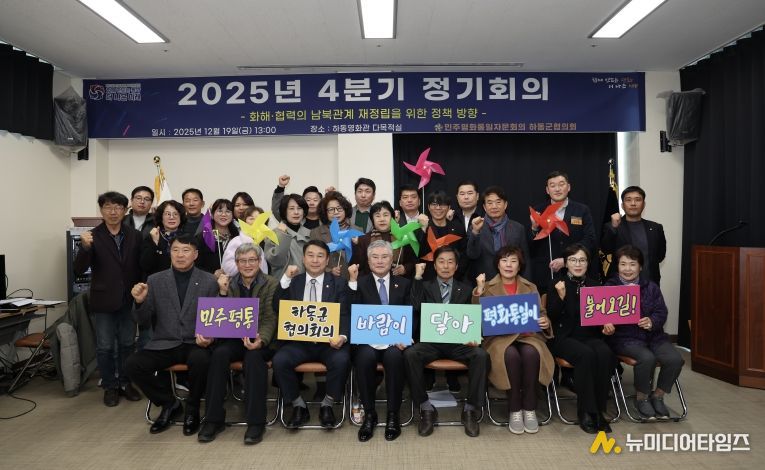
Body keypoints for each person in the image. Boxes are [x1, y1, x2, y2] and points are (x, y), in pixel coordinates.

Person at [126, 235, 219, 435]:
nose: (180, 255)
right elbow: (142, 320)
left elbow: (217, 318)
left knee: (202, 360)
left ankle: (192, 408)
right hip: (164, 342)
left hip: (195, 342)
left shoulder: (209, 281)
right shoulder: (155, 280)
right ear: (170, 253)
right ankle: (169, 404)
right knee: (133, 364)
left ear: (195, 254)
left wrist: (210, 337)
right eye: (175, 250)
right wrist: (140, 302)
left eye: (186, 250)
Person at [197, 243, 278, 444]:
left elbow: (271, 317)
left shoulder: (271, 283)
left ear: (259, 262)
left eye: (252, 260)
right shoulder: (228, 283)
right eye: (243, 261)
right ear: (236, 263)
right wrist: (223, 293)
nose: (247, 265)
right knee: (219, 354)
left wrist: (261, 340)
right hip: (234, 339)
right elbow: (218, 317)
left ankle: (256, 422)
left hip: (261, 340)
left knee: (254, 358)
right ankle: (213, 419)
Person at [406, 246, 488, 437]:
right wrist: (417, 277)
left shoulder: (466, 289)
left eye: (450, 262)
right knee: (410, 354)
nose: (445, 266)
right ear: (434, 266)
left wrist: (473, 336)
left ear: (456, 266)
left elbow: (474, 316)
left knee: (481, 355)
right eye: (441, 262)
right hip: (431, 342)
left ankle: (470, 409)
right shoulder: (424, 286)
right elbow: (415, 306)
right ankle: (425, 408)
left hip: (458, 343)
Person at [472, 245, 553, 435]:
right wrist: (479, 290)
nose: (508, 265)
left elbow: (542, 313)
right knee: (510, 355)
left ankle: (530, 408)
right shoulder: (486, 286)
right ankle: (515, 409)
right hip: (498, 339)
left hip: (527, 336)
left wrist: (544, 321)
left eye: (513, 261)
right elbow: (475, 314)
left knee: (531, 353)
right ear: (497, 264)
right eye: (504, 260)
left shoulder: (530, 286)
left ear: (520, 265)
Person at [271, 240, 351, 429]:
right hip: (299, 343)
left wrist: (342, 336)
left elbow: (346, 313)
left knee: (342, 360)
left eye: (320, 256)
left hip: (329, 343)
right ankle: (298, 405)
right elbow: (277, 306)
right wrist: (285, 278)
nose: (315, 260)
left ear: (327, 260)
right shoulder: (293, 282)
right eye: (311, 255)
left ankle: (327, 404)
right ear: (303, 259)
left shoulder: (339, 283)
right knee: (280, 361)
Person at [73, 191, 143, 407]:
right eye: (108, 207)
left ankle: (125, 383)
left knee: (127, 344)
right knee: (105, 347)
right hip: (104, 300)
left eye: (118, 207)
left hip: (129, 298)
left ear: (125, 210)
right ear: (101, 210)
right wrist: (85, 247)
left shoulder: (134, 235)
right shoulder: (92, 236)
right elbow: (78, 269)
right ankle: (110, 386)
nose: (113, 212)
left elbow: (140, 265)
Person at [603, 245, 683, 420]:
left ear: (640, 267)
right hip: (625, 338)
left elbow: (661, 312)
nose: (627, 269)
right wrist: (607, 323)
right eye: (623, 264)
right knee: (647, 358)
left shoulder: (651, 287)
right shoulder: (609, 287)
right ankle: (642, 398)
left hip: (654, 337)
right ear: (617, 266)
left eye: (632, 264)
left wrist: (652, 321)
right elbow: (601, 315)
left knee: (675, 359)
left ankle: (658, 396)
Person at [545, 243, 616, 434]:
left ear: (588, 263)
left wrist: (606, 326)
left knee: (605, 353)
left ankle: (599, 411)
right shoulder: (556, 284)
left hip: (589, 336)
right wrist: (561, 297)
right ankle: (585, 411)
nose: (578, 264)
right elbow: (551, 317)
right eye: (573, 260)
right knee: (586, 355)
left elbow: (601, 317)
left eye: (582, 260)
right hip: (563, 337)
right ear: (566, 263)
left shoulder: (595, 285)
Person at [347, 240, 411, 442]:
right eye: (375, 257)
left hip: (394, 341)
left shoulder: (404, 284)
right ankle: (370, 414)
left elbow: (413, 314)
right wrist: (352, 283)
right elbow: (349, 312)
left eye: (385, 257)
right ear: (368, 261)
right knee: (364, 357)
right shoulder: (360, 283)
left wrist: (405, 335)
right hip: (368, 341)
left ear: (392, 260)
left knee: (394, 358)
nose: (380, 261)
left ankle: (393, 415)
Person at [529, 171, 597, 292]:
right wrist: (534, 228)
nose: (557, 189)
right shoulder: (538, 211)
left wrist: (566, 260)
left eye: (561, 184)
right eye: (553, 185)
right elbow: (531, 247)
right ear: (547, 190)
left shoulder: (582, 210)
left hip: (576, 271)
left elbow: (590, 239)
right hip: (547, 274)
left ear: (568, 187)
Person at [601, 186, 667, 286]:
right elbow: (606, 249)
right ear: (622, 205)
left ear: (644, 204)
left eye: (638, 200)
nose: (633, 203)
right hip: (621, 285)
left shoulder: (656, 228)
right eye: (628, 200)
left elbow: (660, 255)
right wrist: (614, 228)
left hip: (649, 285)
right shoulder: (612, 226)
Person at [467, 186, 530, 281]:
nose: (494, 206)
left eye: (498, 202)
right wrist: (475, 232)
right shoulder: (475, 227)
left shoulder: (518, 228)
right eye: (490, 203)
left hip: (512, 281)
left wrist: (526, 284)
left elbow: (525, 259)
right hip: (485, 281)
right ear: (484, 207)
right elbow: (472, 255)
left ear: (505, 205)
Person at [351, 201, 419, 279]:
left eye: (386, 215)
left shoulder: (403, 237)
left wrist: (405, 268)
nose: (382, 219)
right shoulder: (363, 239)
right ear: (372, 219)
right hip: (372, 282)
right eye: (377, 216)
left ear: (392, 218)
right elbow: (359, 267)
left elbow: (413, 261)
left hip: (399, 282)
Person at [310, 191, 362, 280]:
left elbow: (364, 257)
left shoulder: (357, 230)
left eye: (339, 208)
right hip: (328, 281)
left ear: (345, 209)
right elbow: (312, 259)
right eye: (331, 209)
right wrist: (329, 270)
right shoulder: (316, 233)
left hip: (353, 279)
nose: (336, 212)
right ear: (325, 212)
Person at [420, 190, 468, 281]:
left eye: (442, 204)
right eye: (434, 204)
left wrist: (456, 275)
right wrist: (422, 230)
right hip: (428, 280)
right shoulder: (422, 228)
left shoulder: (458, 228)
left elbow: (464, 255)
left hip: (454, 279)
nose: (438, 208)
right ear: (429, 207)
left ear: (449, 207)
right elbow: (417, 254)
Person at [264, 193, 312, 279]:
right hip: (282, 283)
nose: (296, 212)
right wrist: (282, 235)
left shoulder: (311, 234)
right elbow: (275, 261)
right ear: (284, 211)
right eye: (291, 208)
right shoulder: (274, 234)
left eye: (299, 208)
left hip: (306, 283)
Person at [140, 200, 186, 276]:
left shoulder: (187, 238)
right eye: (167, 214)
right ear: (161, 217)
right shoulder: (153, 236)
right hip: (156, 280)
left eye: (175, 214)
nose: (171, 217)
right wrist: (154, 243)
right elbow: (145, 266)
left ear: (181, 217)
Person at [221, 206, 269, 277]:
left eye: (259, 219)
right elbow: (228, 268)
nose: (255, 222)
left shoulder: (266, 242)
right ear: (244, 221)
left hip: (262, 282)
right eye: (251, 218)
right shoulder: (236, 241)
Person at [196, 198, 239, 274]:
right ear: (212, 215)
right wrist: (212, 274)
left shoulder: (237, 237)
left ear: (233, 216)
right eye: (220, 211)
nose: (223, 214)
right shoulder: (203, 237)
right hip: (209, 279)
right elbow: (196, 265)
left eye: (228, 211)